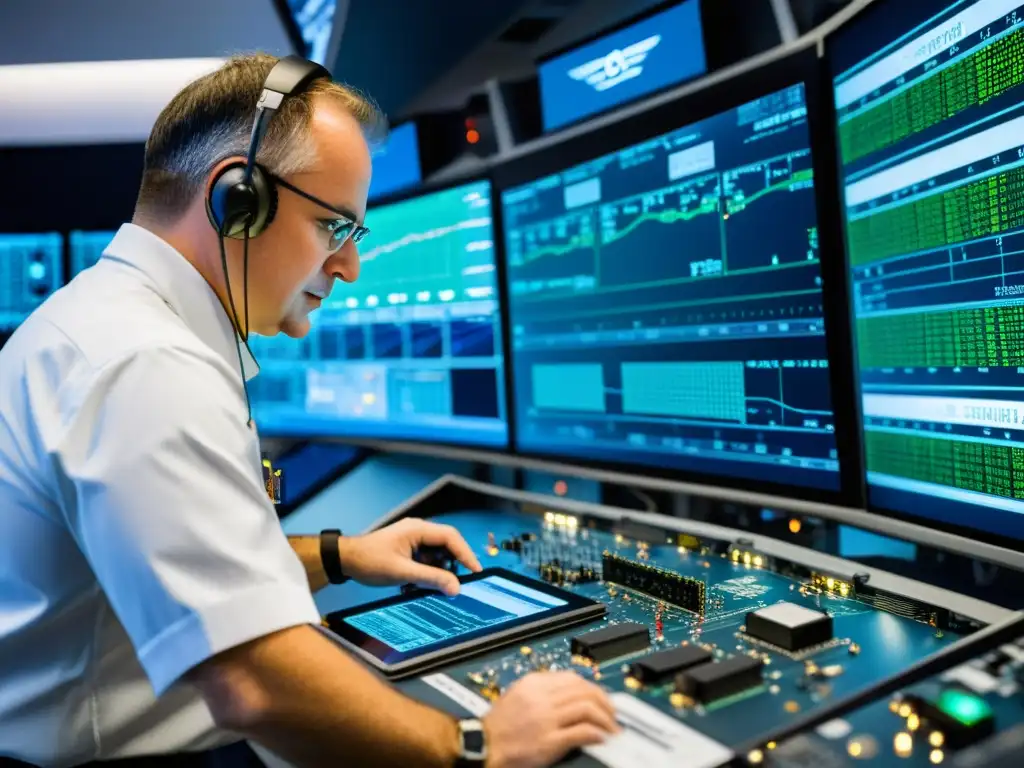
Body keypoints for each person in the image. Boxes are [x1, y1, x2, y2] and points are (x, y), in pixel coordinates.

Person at [0, 53, 618, 768]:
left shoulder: (104, 324)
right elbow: (252, 685)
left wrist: (339, 557)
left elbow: (156, 563)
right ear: (237, 199)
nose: (349, 266)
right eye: (336, 228)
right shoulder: (147, 364)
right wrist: (478, 745)